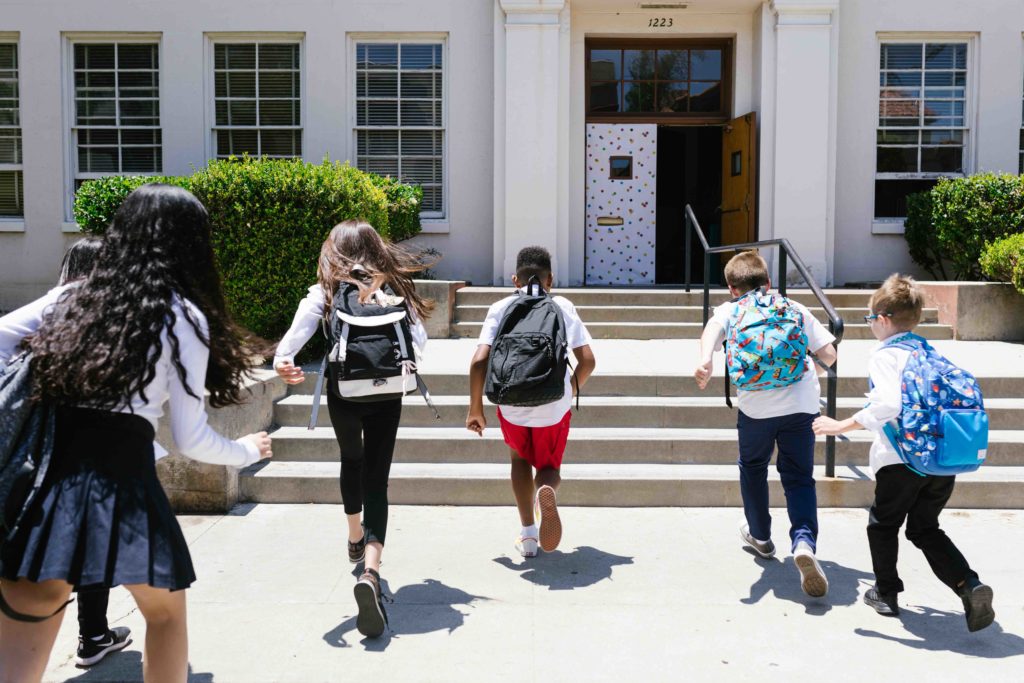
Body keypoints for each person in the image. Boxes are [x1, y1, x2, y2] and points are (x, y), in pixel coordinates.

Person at [0, 184, 273, 683]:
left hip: (44, 489)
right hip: (123, 485)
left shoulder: (70, 298)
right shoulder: (181, 315)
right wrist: (244, 450)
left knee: (23, 642)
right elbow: (192, 440)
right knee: (165, 615)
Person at [273, 219, 431, 639]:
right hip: (387, 394)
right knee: (377, 477)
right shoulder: (394, 289)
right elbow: (420, 344)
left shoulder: (325, 292)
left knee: (351, 460)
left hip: (344, 392)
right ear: (376, 247)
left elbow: (294, 337)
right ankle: (372, 574)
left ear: (335, 250)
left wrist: (284, 361)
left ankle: (354, 535)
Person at [812, 274, 995, 631]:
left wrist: (840, 425)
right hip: (941, 460)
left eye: (870, 321)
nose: (870, 328)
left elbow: (888, 404)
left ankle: (886, 592)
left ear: (882, 319)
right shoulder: (928, 352)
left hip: (900, 460)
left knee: (882, 525)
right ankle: (968, 585)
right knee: (925, 528)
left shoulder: (885, 355)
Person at [694, 250, 836, 598]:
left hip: (756, 408)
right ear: (768, 282)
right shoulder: (794, 308)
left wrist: (704, 363)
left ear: (732, 288)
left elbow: (710, 335)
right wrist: (808, 373)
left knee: (754, 467)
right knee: (799, 476)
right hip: (801, 405)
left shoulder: (731, 310)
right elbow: (830, 355)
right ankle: (803, 542)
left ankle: (760, 535)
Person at [466, 246, 596, 558]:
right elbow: (588, 361)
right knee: (549, 467)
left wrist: (475, 409)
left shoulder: (500, 306)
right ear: (550, 278)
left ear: (515, 279)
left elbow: (478, 361)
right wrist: (570, 389)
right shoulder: (562, 305)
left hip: (511, 403)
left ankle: (527, 535)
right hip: (553, 405)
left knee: (518, 461)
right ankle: (544, 490)